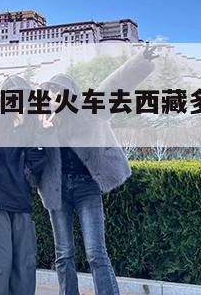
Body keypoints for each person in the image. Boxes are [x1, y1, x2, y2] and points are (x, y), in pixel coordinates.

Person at [37, 46, 158, 295]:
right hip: (58, 192)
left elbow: (115, 84)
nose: (52, 96)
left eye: (57, 91)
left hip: (86, 189)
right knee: (64, 254)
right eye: (49, 92)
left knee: (95, 253)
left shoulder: (88, 111)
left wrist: (141, 60)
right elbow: (33, 161)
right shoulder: (43, 122)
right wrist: (42, 134)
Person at [0, 75, 47, 295]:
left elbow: (37, 163)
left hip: (21, 204)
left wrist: (40, 131)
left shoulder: (33, 125)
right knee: (0, 265)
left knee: (24, 266)